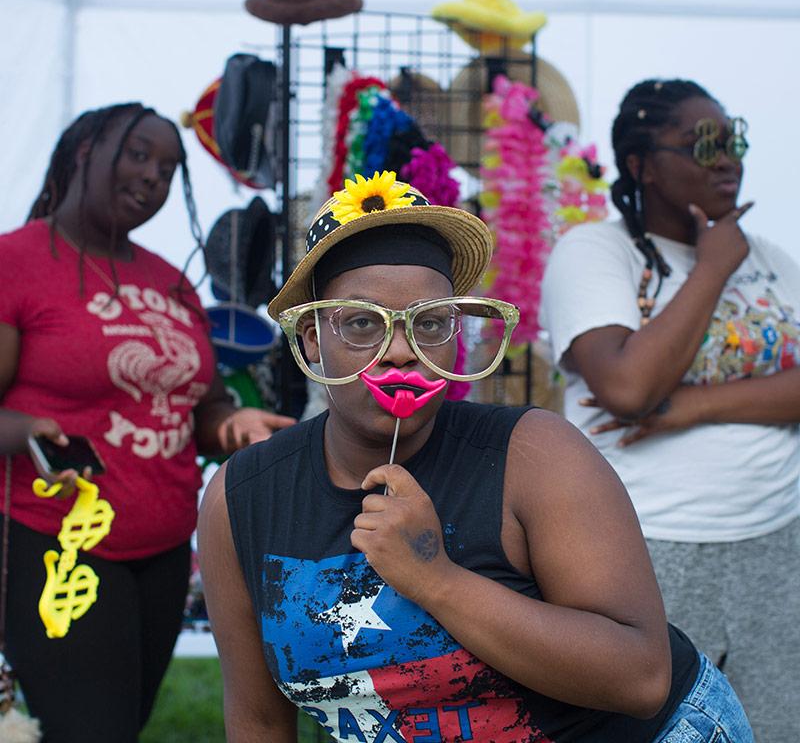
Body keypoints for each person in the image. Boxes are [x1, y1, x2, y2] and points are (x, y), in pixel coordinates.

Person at [198, 170, 752, 742]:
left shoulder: (536, 455)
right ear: (313, 338)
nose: (401, 351)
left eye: (430, 323)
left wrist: (436, 578)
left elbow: (640, 680)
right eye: (362, 323)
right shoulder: (241, 499)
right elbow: (259, 719)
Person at [0, 102, 295, 743]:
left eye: (168, 169)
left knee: (122, 724)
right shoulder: (15, 262)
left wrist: (233, 423)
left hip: (164, 552)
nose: (153, 179)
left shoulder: (170, 282)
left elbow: (203, 406)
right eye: (138, 156)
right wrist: (27, 430)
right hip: (61, 543)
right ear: (83, 152)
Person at [541, 79, 800, 741]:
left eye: (732, 139)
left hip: (775, 542)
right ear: (641, 165)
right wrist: (712, 268)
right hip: (646, 546)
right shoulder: (598, 252)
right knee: (651, 726)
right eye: (702, 143)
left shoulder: (770, 260)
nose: (727, 159)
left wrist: (688, 408)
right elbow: (628, 387)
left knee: (774, 726)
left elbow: (657, 398)